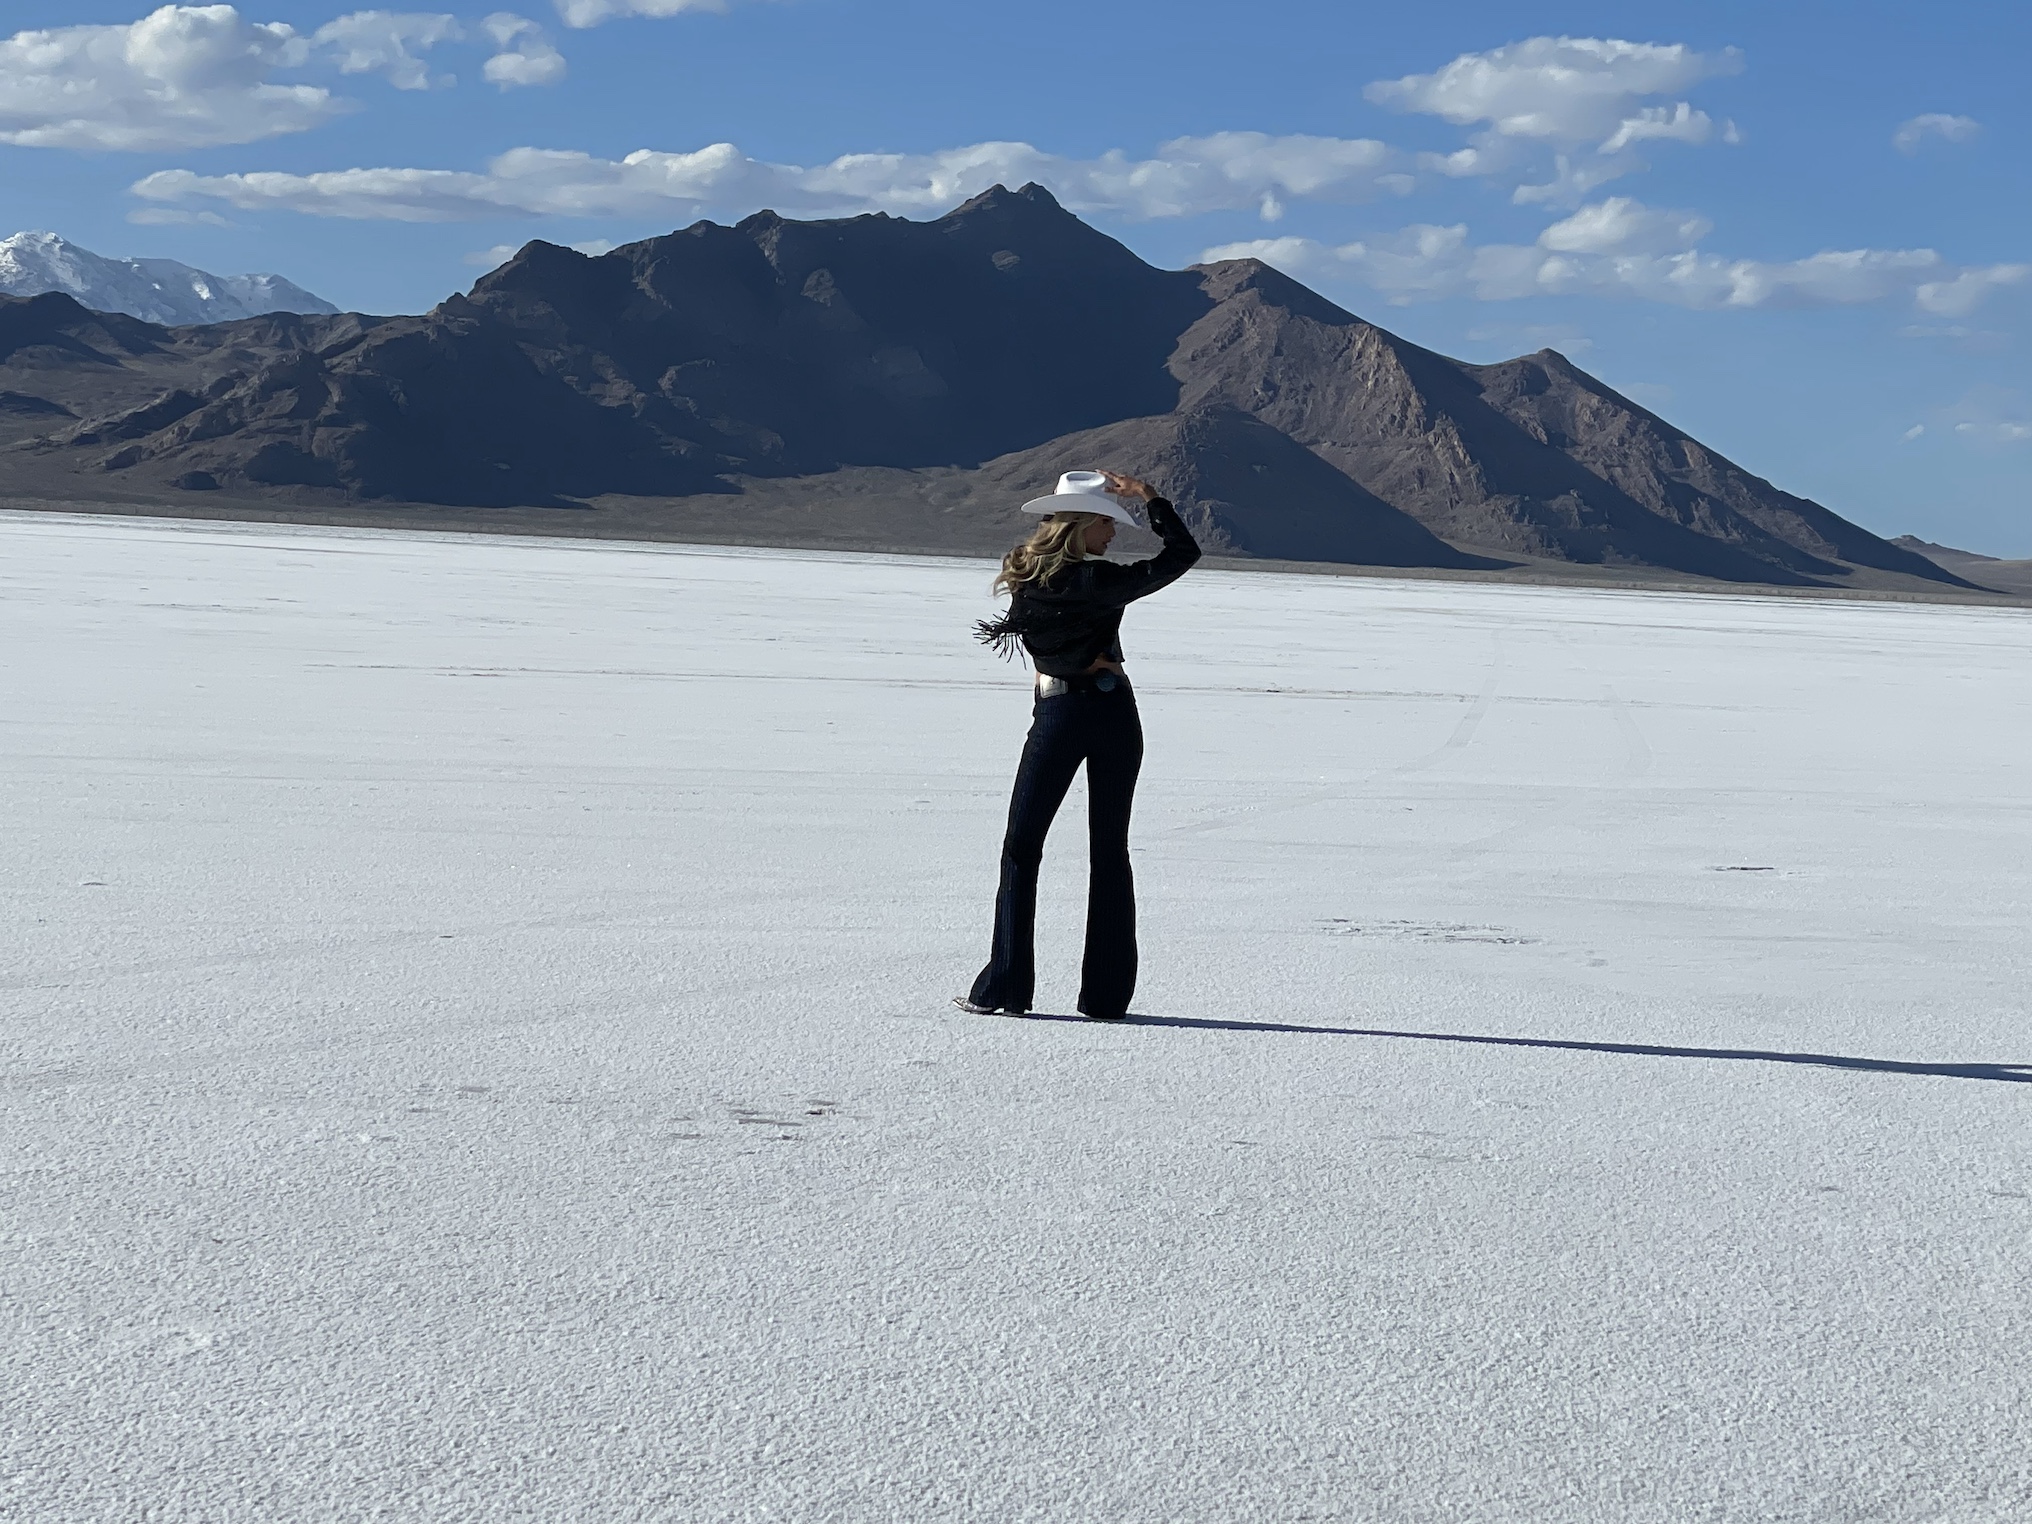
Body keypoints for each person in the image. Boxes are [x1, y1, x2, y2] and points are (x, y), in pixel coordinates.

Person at [957, 469, 1202, 1021]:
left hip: (1070, 711)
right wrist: (1151, 498)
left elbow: (1038, 638)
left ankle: (1012, 990)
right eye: (1108, 525)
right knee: (1087, 850)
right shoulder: (1094, 582)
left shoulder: (1035, 580)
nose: (1114, 536)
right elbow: (1180, 553)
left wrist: (1062, 666)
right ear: (1084, 525)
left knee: (1038, 846)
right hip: (1098, 711)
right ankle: (1084, 995)